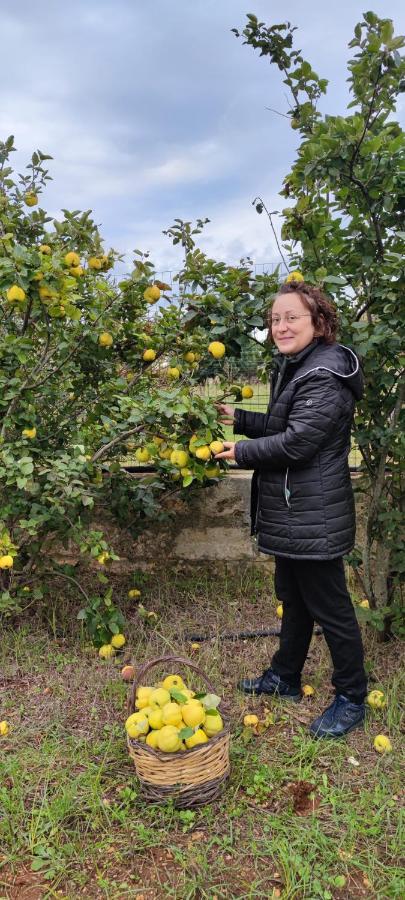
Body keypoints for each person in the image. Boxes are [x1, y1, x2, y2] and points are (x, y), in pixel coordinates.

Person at [215, 279, 367, 739]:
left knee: (331, 607)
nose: (281, 326)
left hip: (312, 513)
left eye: (291, 317)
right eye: (276, 319)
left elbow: (299, 442)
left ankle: (352, 696)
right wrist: (237, 419)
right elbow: (284, 422)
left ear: (318, 322)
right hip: (293, 510)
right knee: (293, 599)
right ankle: (284, 676)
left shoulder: (325, 372)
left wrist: (241, 453)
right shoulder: (299, 366)